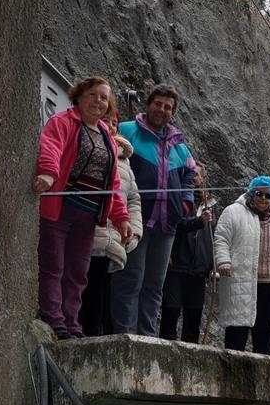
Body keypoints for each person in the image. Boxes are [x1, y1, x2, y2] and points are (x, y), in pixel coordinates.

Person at [33, 75, 131, 339]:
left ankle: (72, 323)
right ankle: (54, 320)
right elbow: (50, 147)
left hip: (89, 214)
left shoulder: (107, 136)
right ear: (79, 96)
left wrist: (121, 217)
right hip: (61, 207)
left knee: (78, 272)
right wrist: (49, 174)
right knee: (53, 265)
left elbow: (113, 181)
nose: (98, 101)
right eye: (93, 95)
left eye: (103, 97)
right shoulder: (64, 121)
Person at [112, 83, 200, 332]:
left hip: (167, 225)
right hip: (135, 218)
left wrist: (185, 203)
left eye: (168, 107)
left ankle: (147, 338)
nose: (162, 109)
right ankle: (125, 337)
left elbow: (190, 175)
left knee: (154, 286)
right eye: (158, 104)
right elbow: (115, 165)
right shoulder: (128, 130)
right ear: (148, 104)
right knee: (130, 280)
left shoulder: (180, 146)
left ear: (173, 112)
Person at [213, 175, 270, 353]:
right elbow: (221, 239)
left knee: (264, 337)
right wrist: (223, 261)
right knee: (237, 333)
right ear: (251, 193)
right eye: (259, 193)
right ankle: (231, 373)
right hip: (241, 281)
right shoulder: (233, 211)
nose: (263, 199)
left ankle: (259, 378)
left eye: (268, 196)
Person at [79, 133, 143, 336]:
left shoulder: (125, 163)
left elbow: (133, 200)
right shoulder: (87, 146)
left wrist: (135, 232)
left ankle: (94, 333)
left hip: (113, 236)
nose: (111, 126)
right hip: (86, 231)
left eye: (114, 122)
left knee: (100, 288)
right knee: (79, 284)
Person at [157, 165, 214, 343]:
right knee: (170, 312)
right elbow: (176, 224)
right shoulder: (178, 200)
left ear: (204, 180)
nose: (194, 178)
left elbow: (215, 238)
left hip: (199, 270)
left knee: (194, 318)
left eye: (197, 175)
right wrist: (198, 222)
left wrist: (211, 264)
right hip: (177, 266)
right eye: (190, 174)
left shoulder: (211, 206)